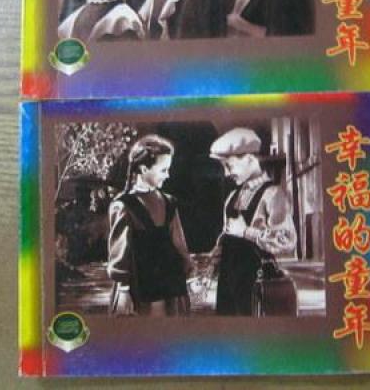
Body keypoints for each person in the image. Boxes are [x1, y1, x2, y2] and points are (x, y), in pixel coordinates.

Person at [209, 127, 296, 316]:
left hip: (256, 281)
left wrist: (246, 232)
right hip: (227, 283)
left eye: (229, 166)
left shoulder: (273, 194)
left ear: (249, 159)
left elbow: (287, 241)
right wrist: (214, 258)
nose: (226, 173)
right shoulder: (232, 196)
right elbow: (227, 235)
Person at [107, 135, 194, 316]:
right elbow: (119, 252)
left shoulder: (169, 202)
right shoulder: (124, 205)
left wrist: (189, 272)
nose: (168, 175)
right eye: (163, 170)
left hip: (171, 286)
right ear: (144, 168)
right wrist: (123, 290)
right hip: (140, 289)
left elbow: (179, 244)